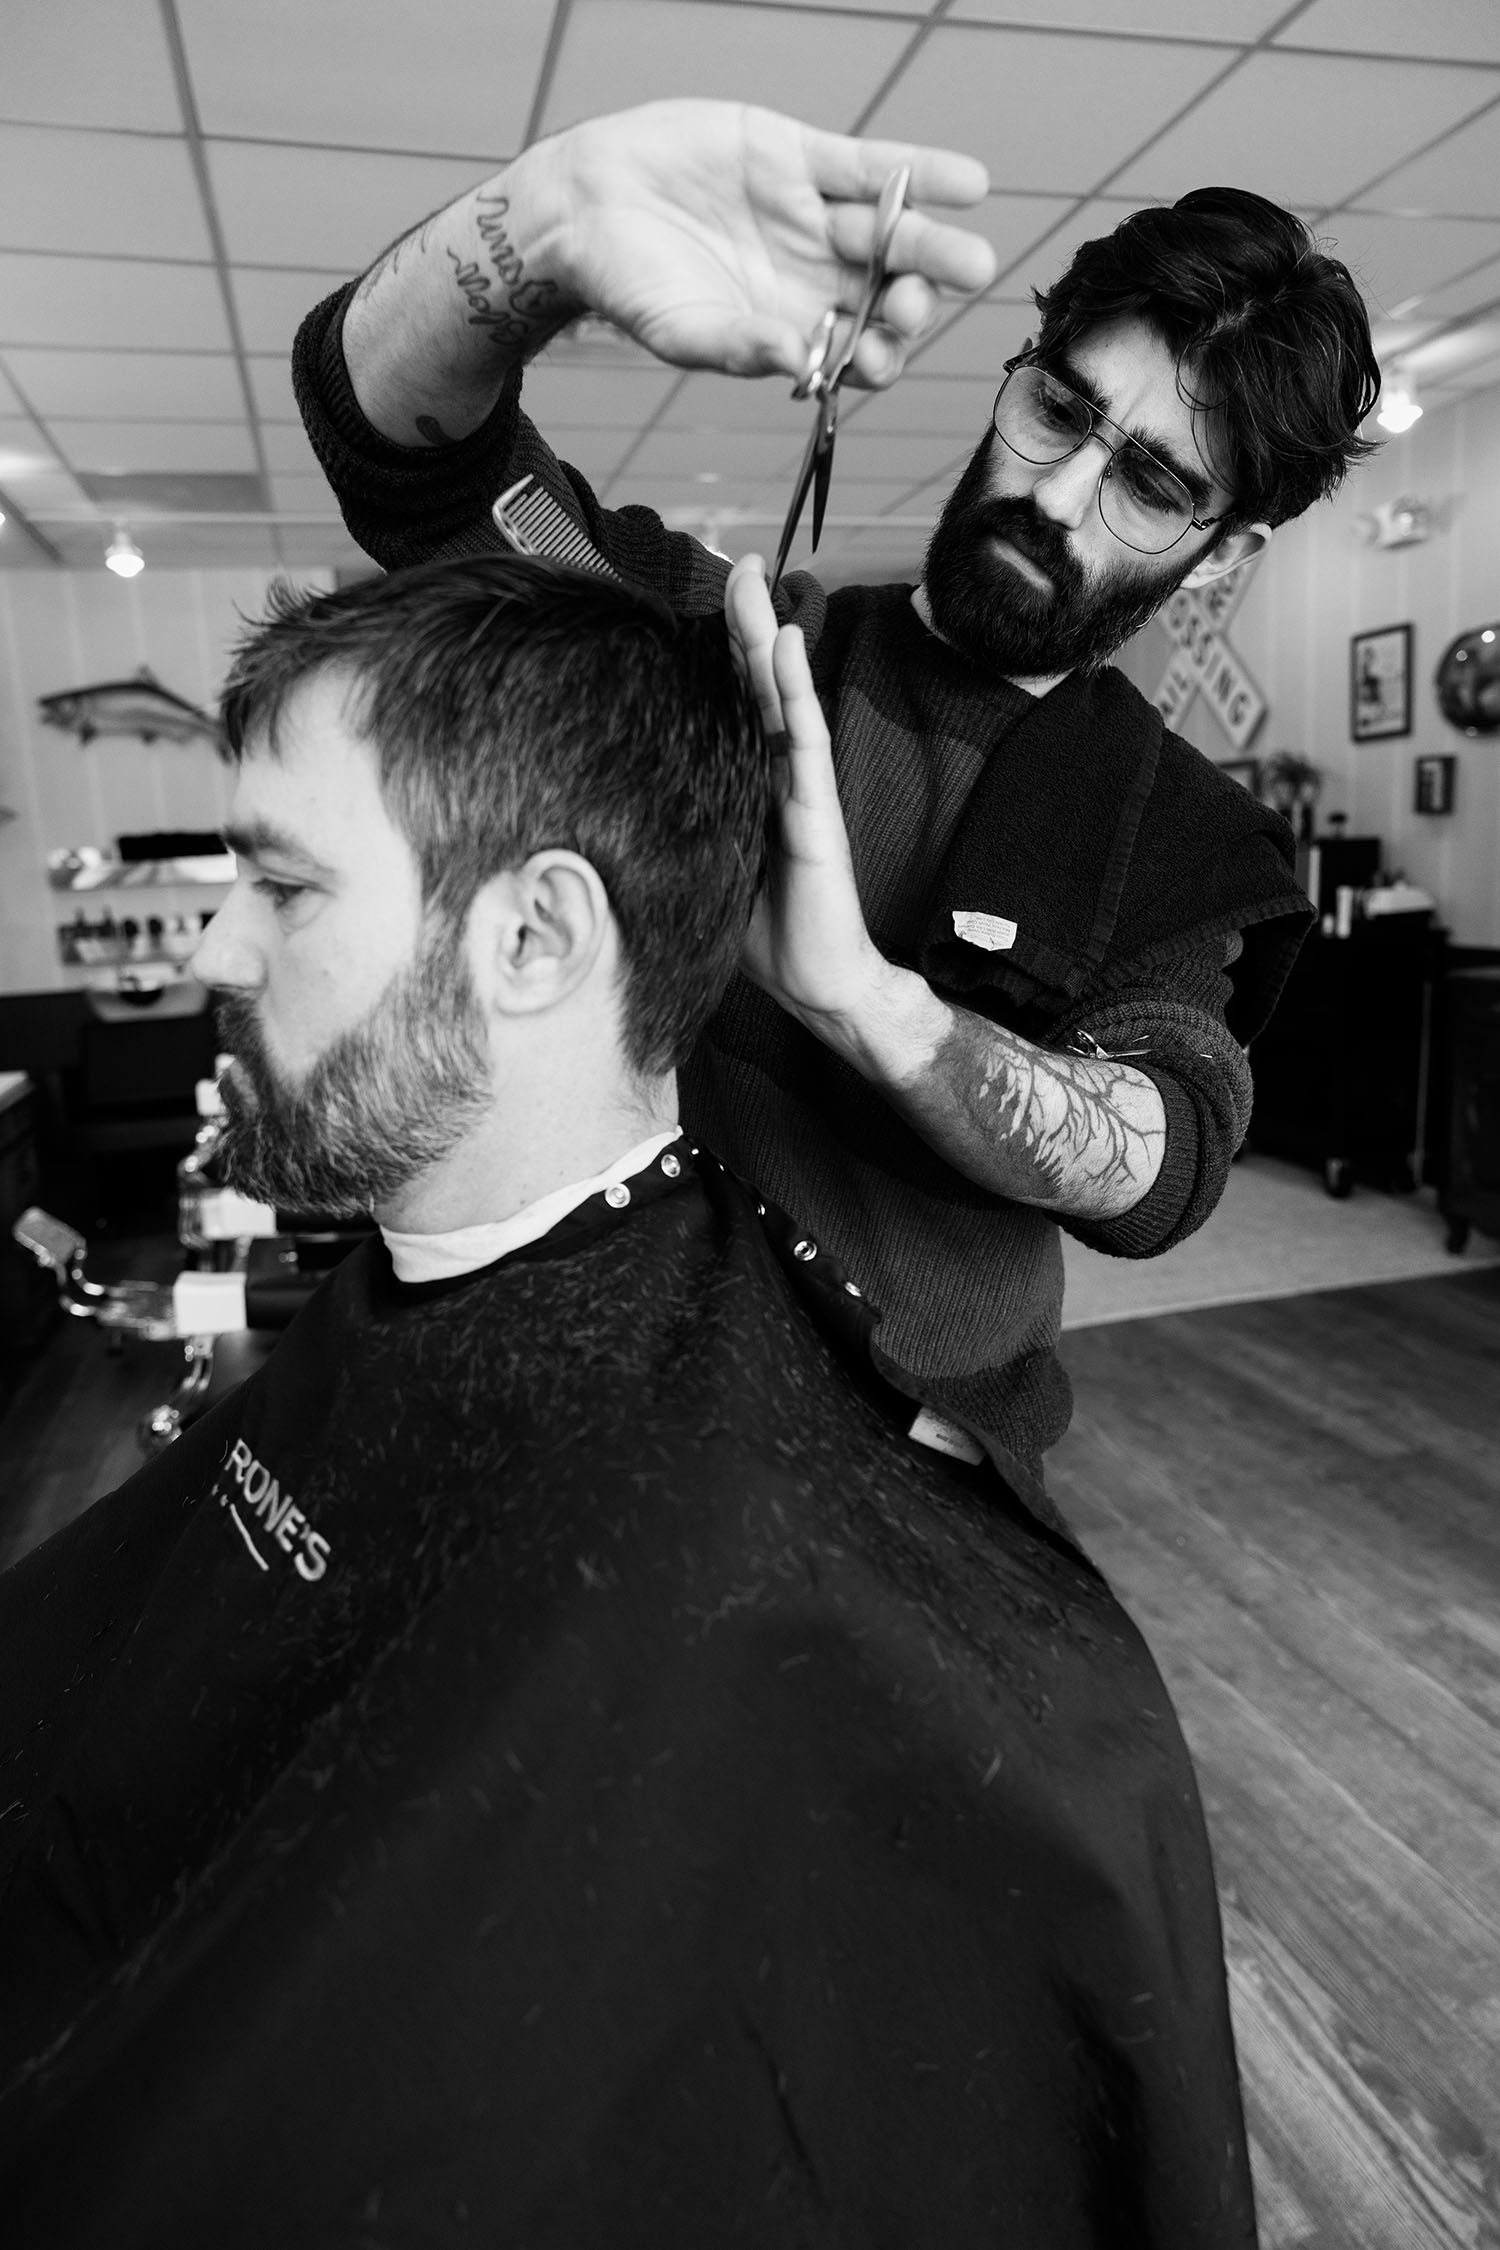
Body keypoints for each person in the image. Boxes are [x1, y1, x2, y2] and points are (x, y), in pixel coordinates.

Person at [0, 558, 1257, 2246]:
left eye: (282, 884)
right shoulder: (410, 1301)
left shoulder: (727, 1538)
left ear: (534, 936)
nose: (218, 936)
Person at [294, 97, 1381, 1524]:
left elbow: (1162, 1158)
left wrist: (872, 1007)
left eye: (1151, 484)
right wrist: (540, 231)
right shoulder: (709, 647)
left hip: (903, 1498)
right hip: (588, 1423)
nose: (1057, 494)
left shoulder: (1176, 833)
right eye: (1060, 410)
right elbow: (403, 451)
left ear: (1223, 548)